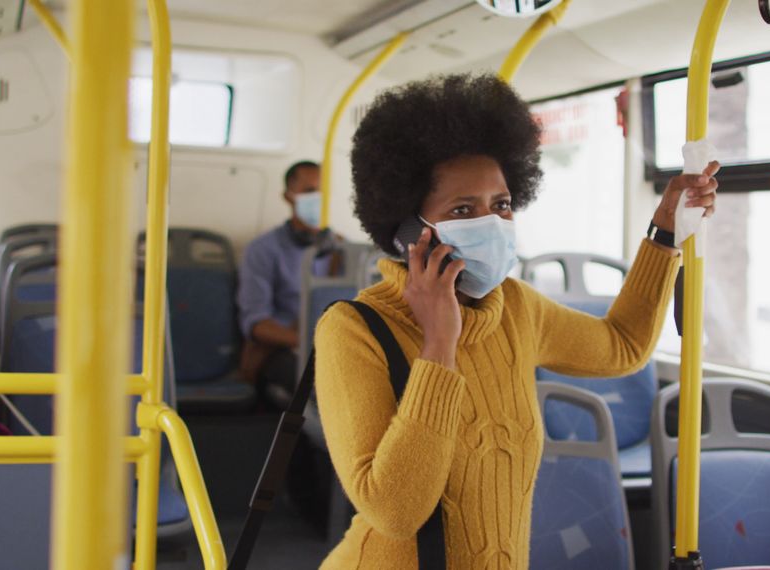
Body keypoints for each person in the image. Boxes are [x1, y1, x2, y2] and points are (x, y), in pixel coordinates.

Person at [314, 73, 718, 569]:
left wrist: (665, 231)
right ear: (407, 231)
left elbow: (621, 346)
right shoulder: (353, 330)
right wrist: (439, 342)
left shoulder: (516, 307)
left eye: (501, 205)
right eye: (464, 209)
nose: (492, 223)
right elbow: (396, 512)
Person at [237, 160, 338, 399]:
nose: (318, 199)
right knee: (325, 386)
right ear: (289, 197)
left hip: (332, 344)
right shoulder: (262, 250)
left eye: (322, 192)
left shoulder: (339, 250)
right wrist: (308, 342)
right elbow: (256, 324)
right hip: (282, 350)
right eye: (309, 192)